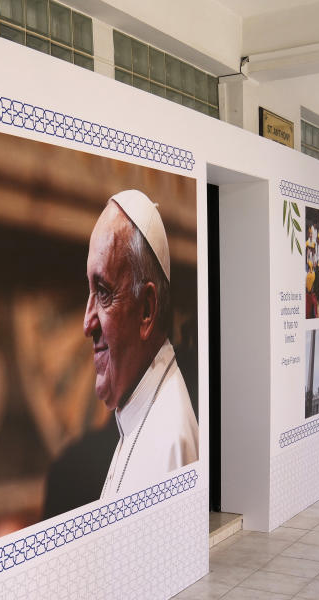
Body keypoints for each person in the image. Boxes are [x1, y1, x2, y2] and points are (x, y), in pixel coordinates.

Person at [83, 190, 199, 499]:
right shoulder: (138, 411)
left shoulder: (170, 442)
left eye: (104, 292)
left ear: (146, 310)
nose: (87, 323)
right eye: (89, 290)